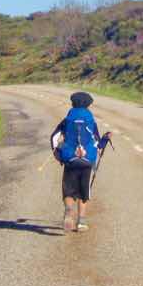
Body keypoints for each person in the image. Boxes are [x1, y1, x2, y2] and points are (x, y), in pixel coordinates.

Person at [50, 91, 109, 232]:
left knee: (68, 190)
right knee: (84, 191)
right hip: (87, 161)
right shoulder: (90, 121)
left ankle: (69, 211)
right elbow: (97, 143)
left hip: (70, 159)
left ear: (72, 104)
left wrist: (58, 155)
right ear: (88, 105)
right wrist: (105, 139)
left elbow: (54, 138)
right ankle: (81, 221)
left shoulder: (67, 120)